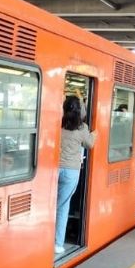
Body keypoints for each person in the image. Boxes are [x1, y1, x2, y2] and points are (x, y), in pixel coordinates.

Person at [55, 95, 95, 254]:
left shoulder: (59, 124)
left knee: (51, 205)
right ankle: (57, 243)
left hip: (54, 169)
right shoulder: (82, 128)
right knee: (63, 207)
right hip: (71, 171)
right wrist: (95, 135)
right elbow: (90, 144)